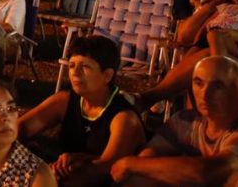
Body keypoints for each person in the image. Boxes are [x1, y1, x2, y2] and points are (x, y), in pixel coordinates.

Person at [110, 56, 238, 186]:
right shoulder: (185, 120)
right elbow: (148, 158)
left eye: (217, 86)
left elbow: (204, 173)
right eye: (198, 83)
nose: (205, 94)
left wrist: (129, 164)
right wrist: (140, 167)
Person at [18, 35, 144, 186]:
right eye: (71, 66)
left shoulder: (124, 118)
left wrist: (73, 163)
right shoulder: (65, 101)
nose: (75, 73)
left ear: (107, 75)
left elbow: (107, 167)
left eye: (85, 67)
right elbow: (21, 127)